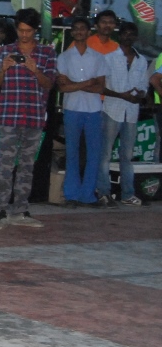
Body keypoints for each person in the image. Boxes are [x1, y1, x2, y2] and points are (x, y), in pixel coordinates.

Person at [0, 8, 58, 229]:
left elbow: (49, 84)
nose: (24, 35)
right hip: (9, 115)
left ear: (36, 30)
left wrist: (35, 70)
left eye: (28, 30)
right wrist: (3, 69)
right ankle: (2, 210)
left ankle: (21, 210)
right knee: (6, 165)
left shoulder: (47, 52)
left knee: (27, 165)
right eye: (20, 30)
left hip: (34, 115)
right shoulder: (5, 51)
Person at [56, 17, 108, 207]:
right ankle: (71, 194)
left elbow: (100, 87)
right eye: (76, 28)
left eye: (82, 29)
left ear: (88, 32)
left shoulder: (98, 57)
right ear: (72, 32)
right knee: (72, 152)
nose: (79, 31)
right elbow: (62, 88)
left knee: (94, 153)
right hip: (72, 109)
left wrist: (74, 84)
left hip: (93, 110)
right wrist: (87, 82)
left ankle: (88, 195)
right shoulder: (64, 57)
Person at [97, 21, 149, 207]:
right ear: (119, 35)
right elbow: (101, 87)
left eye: (131, 34)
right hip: (112, 110)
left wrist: (140, 94)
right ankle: (104, 192)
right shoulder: (109, 58)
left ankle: (128, 194)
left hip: (131, 112)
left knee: (127, 156)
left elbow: (144, 85)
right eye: (125, 33)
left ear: (136, 37)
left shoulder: (141, 60)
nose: (128, 37)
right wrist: (121, 95)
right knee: (105, 154)